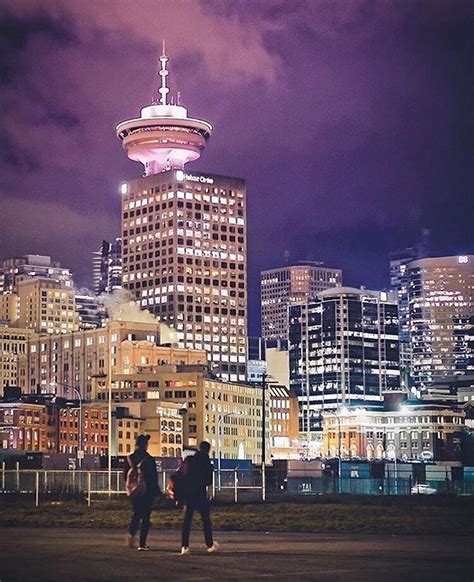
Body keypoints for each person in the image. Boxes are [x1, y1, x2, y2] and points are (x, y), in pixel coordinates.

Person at [180, 441, 219, 555]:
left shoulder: (190, 459)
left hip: (189, 493)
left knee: (187, 521)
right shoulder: (206, 462)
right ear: (208, 450)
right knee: (206, 520)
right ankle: (210, 544)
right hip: (200, 493)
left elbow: (183, 474)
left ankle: (185, 546)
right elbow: (208, 481)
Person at [125, 434, 160, 551]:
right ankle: (142, 543)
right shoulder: (149, 459)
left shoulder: (129, 458)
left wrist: (132, 486)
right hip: (147, 492)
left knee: (136, 514)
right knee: (145, 517)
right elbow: (153, 478)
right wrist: (157, 493)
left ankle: (130, 536)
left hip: (134, 492)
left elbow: (125, 475)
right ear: (145, 445)